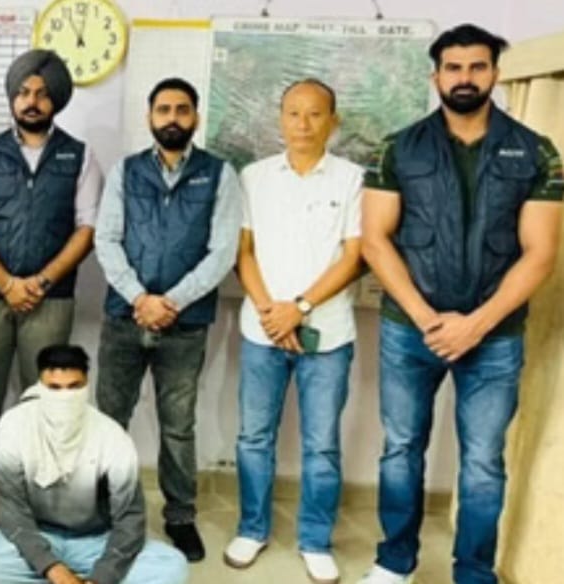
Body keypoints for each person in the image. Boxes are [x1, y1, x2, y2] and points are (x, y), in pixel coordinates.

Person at [358, 24, 562, 584]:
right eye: (453, 68)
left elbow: (541, 253)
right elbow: (375, 240)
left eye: (477, 66)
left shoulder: (537, 151)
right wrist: (428, 319)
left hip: (495, 336)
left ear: (495, 73)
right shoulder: (397, 148)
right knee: (401, 449)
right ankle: (394, 563)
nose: (465, 78)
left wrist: (476, 324)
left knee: (482, 463)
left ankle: (473, 572)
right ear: (436, 76)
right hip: (410, 330)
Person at [93, 77, 242, 562]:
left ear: (195, 117)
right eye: (163, 109)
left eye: (182, 109)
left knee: (178, 426)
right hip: (124, 316)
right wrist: (140, 297)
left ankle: (180, 517)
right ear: (150, 116)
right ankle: (105, 509)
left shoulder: (219, 174)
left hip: (186, 324)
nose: (172, 118)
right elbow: (106, 239)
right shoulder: (126, 171)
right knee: (111, 419)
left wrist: (170, 302)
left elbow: (223, 251)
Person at [224, 79, 364, 584]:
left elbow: (355, 256)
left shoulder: (353, 179)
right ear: (280, 119)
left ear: (333, 121)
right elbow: (243, 251)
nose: (303, 124)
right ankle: (252, 529)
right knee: (253, 438)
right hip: (262, 331)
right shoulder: (254, 177)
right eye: (293, 113)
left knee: (321, 445)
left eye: (314, 114)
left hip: (327, 334)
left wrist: (300, 308)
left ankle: (315, 540)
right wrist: (271, 311)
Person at [0, 49, 102, 486]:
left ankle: (32, 488)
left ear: (55, 100)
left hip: (50, 300)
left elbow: (87, 228)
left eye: (41, 93)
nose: (32, 102)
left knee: (42, 400)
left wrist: (39, 281)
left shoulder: (79, 156)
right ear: (13, 99)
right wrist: (6, 283)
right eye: (23, 92)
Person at [0, 344, 188, 584]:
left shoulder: (112, 436)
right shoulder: (14, 426)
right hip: (39, 534)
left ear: (87, 385)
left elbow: (129, 518)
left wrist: (102, 577)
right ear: (40, 386)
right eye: (54, 388)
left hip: (95, 542)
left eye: (74, 387)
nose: (64, 397)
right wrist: (52, 568)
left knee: (172, 565)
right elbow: (12, 511)